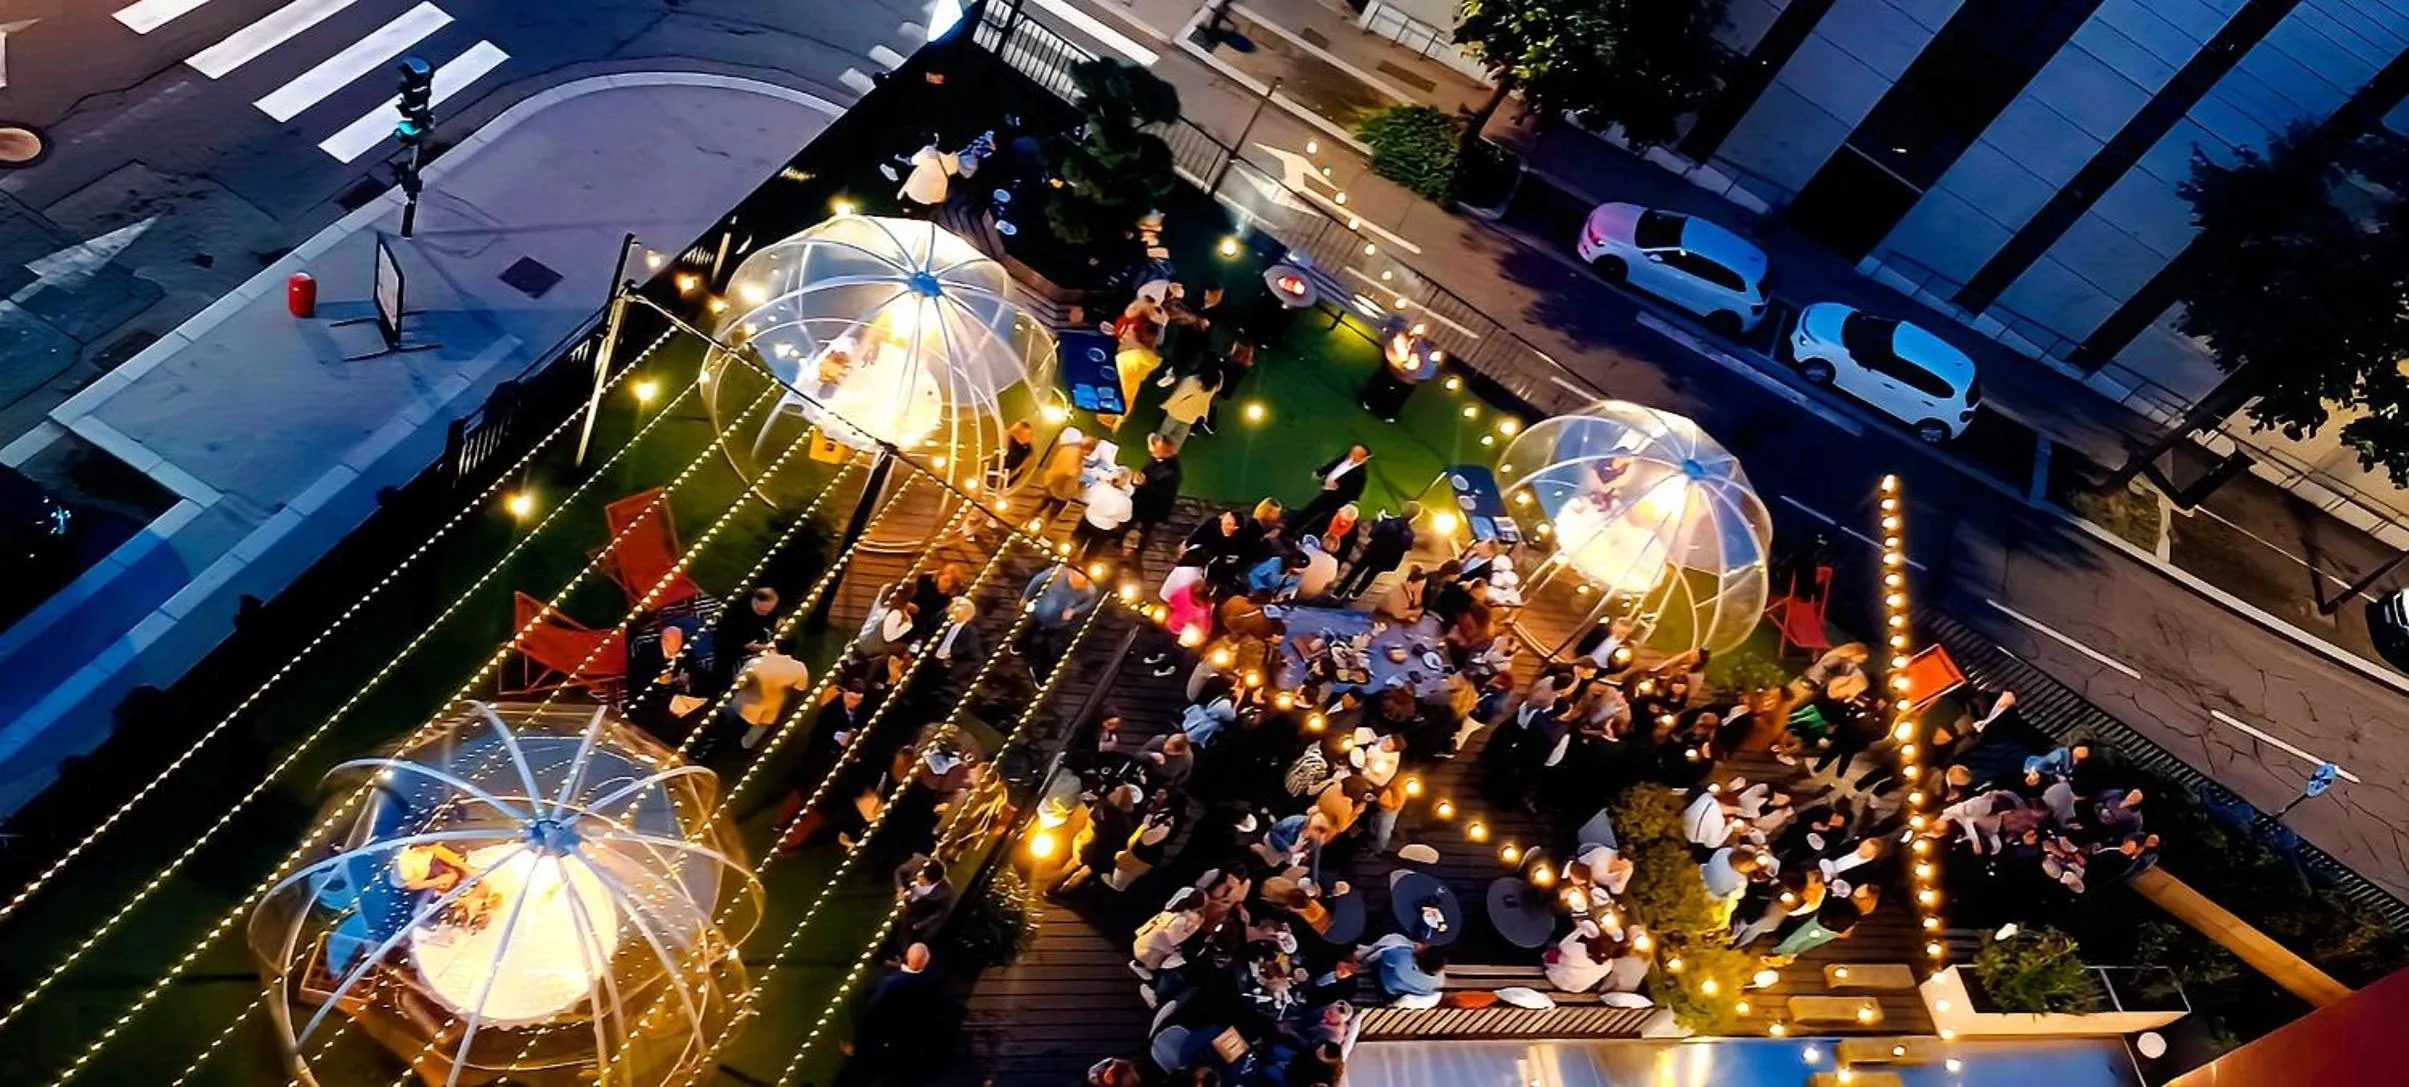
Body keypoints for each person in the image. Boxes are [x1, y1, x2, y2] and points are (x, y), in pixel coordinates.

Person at [836, 942, 941, 1086]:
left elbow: (871, 1011)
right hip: (905, 1040)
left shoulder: (891, 984)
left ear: (907, 957)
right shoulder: (927, 983)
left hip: (883, 1037)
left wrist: (857, 1046)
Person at [722, 648, 812, 754]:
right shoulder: (799, 668)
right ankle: (743, 749)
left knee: (726, 728)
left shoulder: (755, 663)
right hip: (770, 709)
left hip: (743, 704)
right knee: (754, 734)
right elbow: (801, 687)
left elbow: (738, 680)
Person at [1017, 566, 1099, 663]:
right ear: (1071, 573)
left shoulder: (1089, 590)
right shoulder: (1057, 573)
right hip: (1040, 611)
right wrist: (1026, 596)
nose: (1078, 585)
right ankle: (1022, 643)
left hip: (1058, 621)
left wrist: (1074, 610)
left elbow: (1089, 602)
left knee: (1048, 638)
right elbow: (1037, 580)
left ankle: (1040, 657)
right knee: (1031, 628)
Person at [1338, 504, 1416, 600]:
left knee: (1355, 572)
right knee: (1370, 576)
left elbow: (1373, 534)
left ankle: (1338, 593)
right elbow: (1407, 548)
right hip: (1384, 558)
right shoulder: (1410, 534)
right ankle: (1355, 595)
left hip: (1372, 552)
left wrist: (1379, 523)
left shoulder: (1388, 522)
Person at [1128, 433, 1185, 565]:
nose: (1152, 452)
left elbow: (1164, 495)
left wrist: (1143, 484)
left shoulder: (1173, 473)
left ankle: (1139, 551)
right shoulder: (1157, 459)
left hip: (1153, 506)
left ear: (1167, 451)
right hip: (1141, 500)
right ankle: (1120, 538)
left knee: (1146, 528)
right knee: (1130, 520)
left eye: (1156, 450)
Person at [1292, 446, 1371, 539]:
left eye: (1355, 453)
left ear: (1363, 458)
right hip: (1327, 492)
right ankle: (1294, 525)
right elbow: (1334, 465)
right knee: (1311, 510)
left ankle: (1302, 533)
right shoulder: (1347, 458)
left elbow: (1354, 495)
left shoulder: (1360, 475)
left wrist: (1338, 489)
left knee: (1319, 516)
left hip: (1335, 499)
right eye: (1352, 451)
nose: (1351, 454)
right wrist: (1320, 473)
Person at [712, 587, 781, 683]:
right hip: (731, 643)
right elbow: (740, 643)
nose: (766, 614)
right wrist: (763, 647)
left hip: (756, 637)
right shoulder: (736, 615)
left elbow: (773, 617)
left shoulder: (763, 606)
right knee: (723, 673)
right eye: (763, 611)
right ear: (755, 602)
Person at [1071, 466, 1134, 565]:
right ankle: (1084, 565)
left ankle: (1068, 557)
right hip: (1106, 528)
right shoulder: (1126, 501)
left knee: (1076, 541)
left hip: (1088, 520)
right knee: (1094, 549)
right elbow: (1125, 518)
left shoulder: (1099, 488)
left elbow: (1086, 497)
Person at [895, 856, 958, 948]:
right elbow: (898, 871)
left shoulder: (945, 896)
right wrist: (900, 889)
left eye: (922, 877)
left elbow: (937, 918)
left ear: (930, 882)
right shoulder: (918, 862)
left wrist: (917, 926)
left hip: (913, 926)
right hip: (900, 915)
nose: (918, 875)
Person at [1156, 364, 1222, 450]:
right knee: (1176, 442)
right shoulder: (1212, 387)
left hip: (1176, 413)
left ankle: (1156, 450)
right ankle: (1168, 456)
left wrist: (1166, 405)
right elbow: (1206, 402)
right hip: (1190, 418)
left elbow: (1178, 395)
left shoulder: (1192, 381)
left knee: (1162, 434)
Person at [1360, 934, 1444, 1000]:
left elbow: (1386, 955)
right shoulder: (1437, 978)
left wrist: (1411, 948)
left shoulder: (1402, 957)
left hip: (1384, 983)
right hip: (1395, 993)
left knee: (1390, 943)